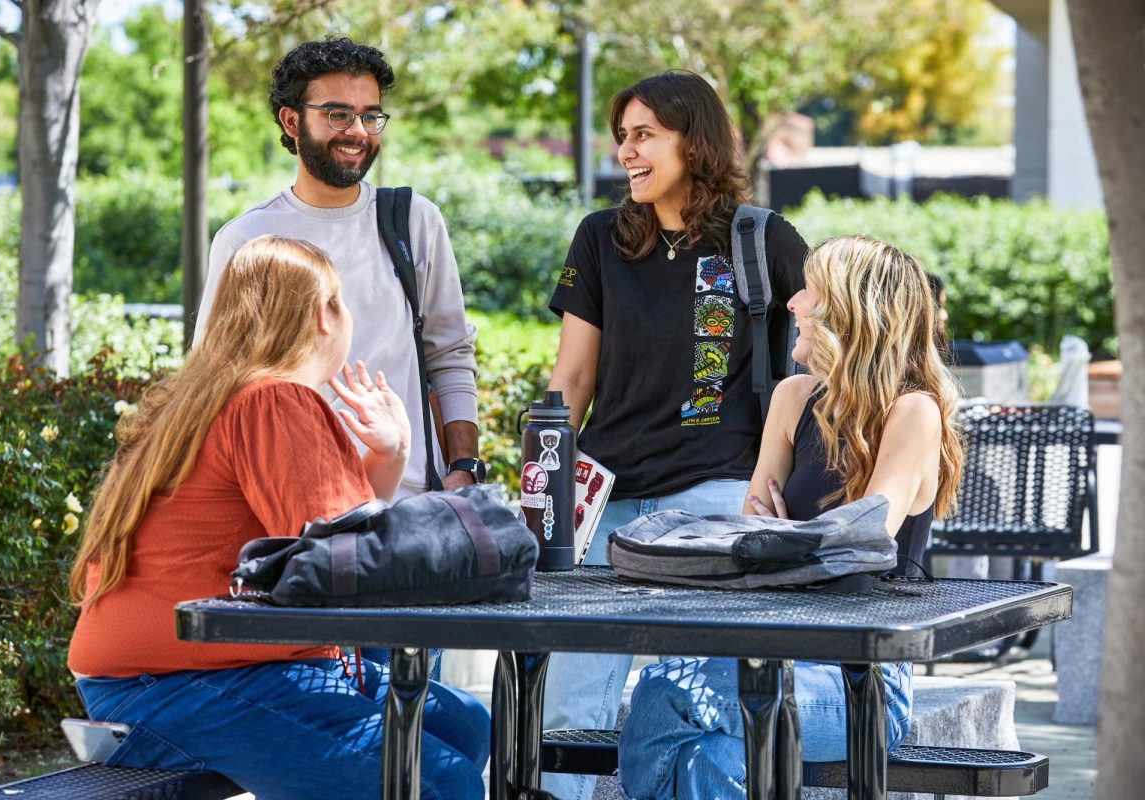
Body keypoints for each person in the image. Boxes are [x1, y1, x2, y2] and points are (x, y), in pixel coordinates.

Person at [67, 236, 490, 800]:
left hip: (151, 676)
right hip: (178, 683)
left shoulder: (196, 398)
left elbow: (320, 539)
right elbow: (355, 566)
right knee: (439, 782)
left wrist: (386, 460)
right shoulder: (274, 399)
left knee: (464, 725)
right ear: (323, 312)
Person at [616, 235, 965, 800]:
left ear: (852, 311)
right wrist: (794, 541)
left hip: (857, 681)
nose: (793, 303)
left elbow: (861, 537)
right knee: (712, 756)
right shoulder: (793, 397)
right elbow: (745, 543)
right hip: (767, 651)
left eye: (811, 291)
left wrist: (780, 536)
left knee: (665, 685)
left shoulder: (913, 411)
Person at [543, 70, 809, 800]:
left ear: (693, 140)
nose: (627, 152)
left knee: (703, 691)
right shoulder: (600, 238)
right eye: (622, 137)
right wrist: (547, 498)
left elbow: (826, 353)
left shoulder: (762, 239)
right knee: (567, 699)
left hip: (719, 492)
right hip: (607, 495)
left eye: (644, 136)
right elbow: (571, 380)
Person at [196, 36, 485, 500]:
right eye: (338, 115)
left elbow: (449, 354)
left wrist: (464, 468)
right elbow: (211, 385)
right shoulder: (246, 239)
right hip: (293, 509)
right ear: (292, 121)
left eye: (370, 115)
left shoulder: (414, 221)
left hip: (409, 506)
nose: (358, 131)